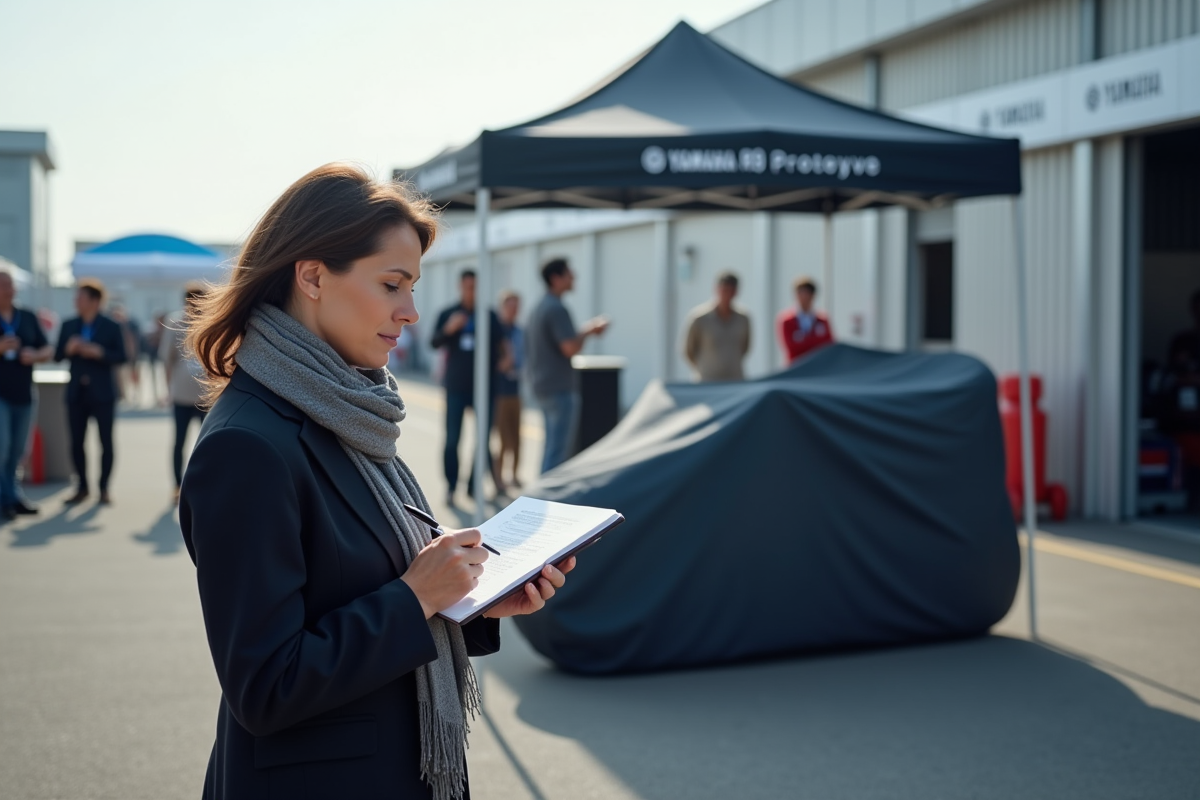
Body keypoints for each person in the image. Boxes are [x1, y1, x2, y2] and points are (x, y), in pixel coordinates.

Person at [179, 163, 573, 800]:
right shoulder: (247, 448)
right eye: (393, 284)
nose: (411, 312)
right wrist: (416, 597)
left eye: (413, 287)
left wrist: (469, 599)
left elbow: (358, 588)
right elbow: (264, 685)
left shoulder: (346, 409)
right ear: (311, 275)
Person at [525, 258, 608, 473]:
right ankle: (548, 500)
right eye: (569, 273)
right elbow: (569, 347)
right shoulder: (556, 308)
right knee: (558, 452)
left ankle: (541, 497)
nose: (574, 277)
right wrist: (589, 330)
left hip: (543, 385)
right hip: (558, 388)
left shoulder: (540, 306)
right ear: (556, 278)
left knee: (551, 447)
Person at [430, 270, 505, 503]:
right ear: (460, 287)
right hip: (456, 385)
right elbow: (433, 342)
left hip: (484, 387)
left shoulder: (489, 315)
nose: (471, 291)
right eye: (467, 287)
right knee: (453, 438)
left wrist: (506, 359)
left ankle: (474, 486)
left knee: (482, 440)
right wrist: (449, 329)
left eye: (475, 287)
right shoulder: (448, 313)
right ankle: (452, 486)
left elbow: (503, 345)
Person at [55, 278, 127, 506]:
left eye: (81, 297)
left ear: (95, 301)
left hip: (103, 393)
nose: (76, 300)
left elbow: (122, 356)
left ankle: (104, 488)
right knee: (76, 442)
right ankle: (82, 487)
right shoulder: (69, 325)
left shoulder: (111, 326)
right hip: (76, 392)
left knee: (105, 441)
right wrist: (69, 348)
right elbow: (57, 356)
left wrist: (99, 352)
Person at [0, 269, 53, 520]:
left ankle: (11, 495)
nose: (8, 290)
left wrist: (35, 355)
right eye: (3, 285)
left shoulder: (28, 317)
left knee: (18, 450)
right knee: (2, 446)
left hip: (24, 393)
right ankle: (7, 498)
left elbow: (47, 348)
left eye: (10, 285)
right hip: (1, 394)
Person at [160, 283, 209, 502]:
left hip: (206, 396)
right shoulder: (176, 322)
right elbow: (166, 360)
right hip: (181, 393)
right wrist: (167, 389)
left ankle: (205, 484)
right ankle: (177, 485)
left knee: (207, 443)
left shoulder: (212, 321)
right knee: (179, 441)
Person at [683, 271, 751, 382]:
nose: (727, 295)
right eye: (724, 290)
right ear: (716, 289)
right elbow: (688, 350)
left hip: (735, 380)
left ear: (736, 292)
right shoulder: (699, 318)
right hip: (707, 382)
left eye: (730, 291)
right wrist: (705, 367)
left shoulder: (743, 319)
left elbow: (745, 347)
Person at [494, 290, 524, 488]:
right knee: (503, 439)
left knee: (517, 437)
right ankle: (499, 479)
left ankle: (514, 475)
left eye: (516, 307)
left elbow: (524, 358)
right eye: (510, 306)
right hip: (500, 391)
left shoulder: (520, 332)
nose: (513, 311)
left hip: (516, 389)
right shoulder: (497, 331)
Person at [777, 275, 834, 365]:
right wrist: (815, 342)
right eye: (800, 293)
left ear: (813, 296)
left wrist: (803, 340)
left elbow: (829, 345)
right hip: (795, 369)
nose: (804, 297)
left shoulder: (822, 320)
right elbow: (791, 347)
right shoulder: (786, 320)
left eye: (807, 293)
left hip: (819, 367)